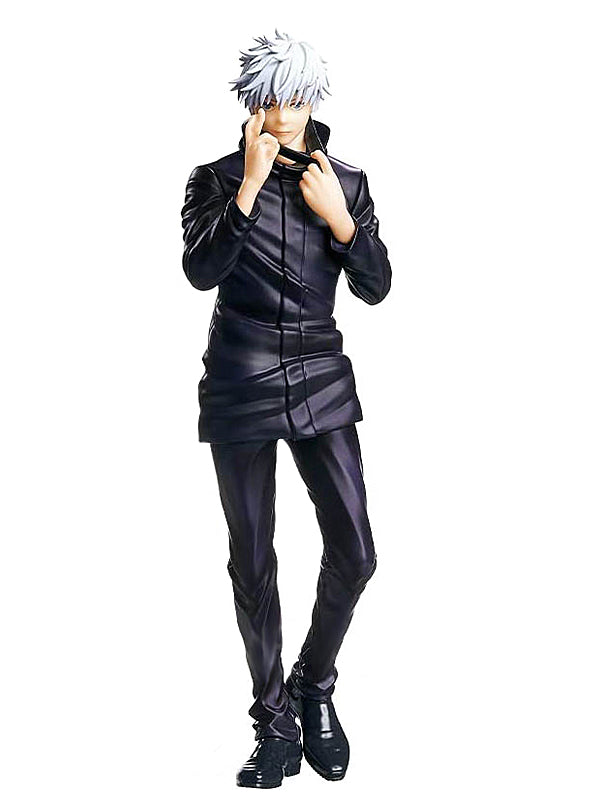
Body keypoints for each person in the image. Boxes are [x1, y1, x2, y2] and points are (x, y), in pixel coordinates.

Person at [180, 28, 392, 789]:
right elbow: (200, 271)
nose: (285, 112)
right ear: (253, 103)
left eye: (298, 97)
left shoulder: (347, 181)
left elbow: (377, 286)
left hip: (320, 370)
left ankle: (313, 685)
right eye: (272, 98)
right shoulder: (212, 179)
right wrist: (246, 187)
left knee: (357, 552)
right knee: (253, 557)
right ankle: (273, 723)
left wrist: (342, 220)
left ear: (313, 99)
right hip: (239, 374)